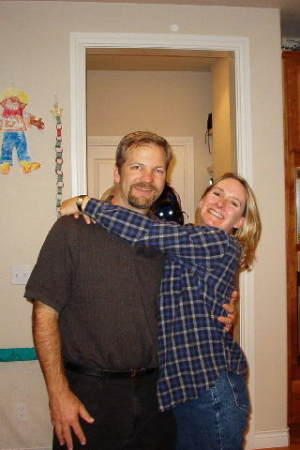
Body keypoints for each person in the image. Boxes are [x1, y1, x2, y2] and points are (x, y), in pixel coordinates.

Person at [25, 131, 237, 450]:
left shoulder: (170, 241)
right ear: (117, 172)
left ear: (166, 179)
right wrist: (58, 393)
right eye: (137, 167)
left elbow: (192, 302)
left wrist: (221, 314)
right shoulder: (72, 230)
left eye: (158, 170)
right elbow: (44, 314)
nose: (147, 179)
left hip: (158, 396)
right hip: (91, 394)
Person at [61, 172, 261, 450]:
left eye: (234, 203)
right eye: (217, 193)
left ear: (240, 222)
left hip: (211, 389)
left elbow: (147, 231)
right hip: (184, 390)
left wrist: (86, 203)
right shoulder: (185, 240)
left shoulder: (214, 242)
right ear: (203, 199)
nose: (221, 203)